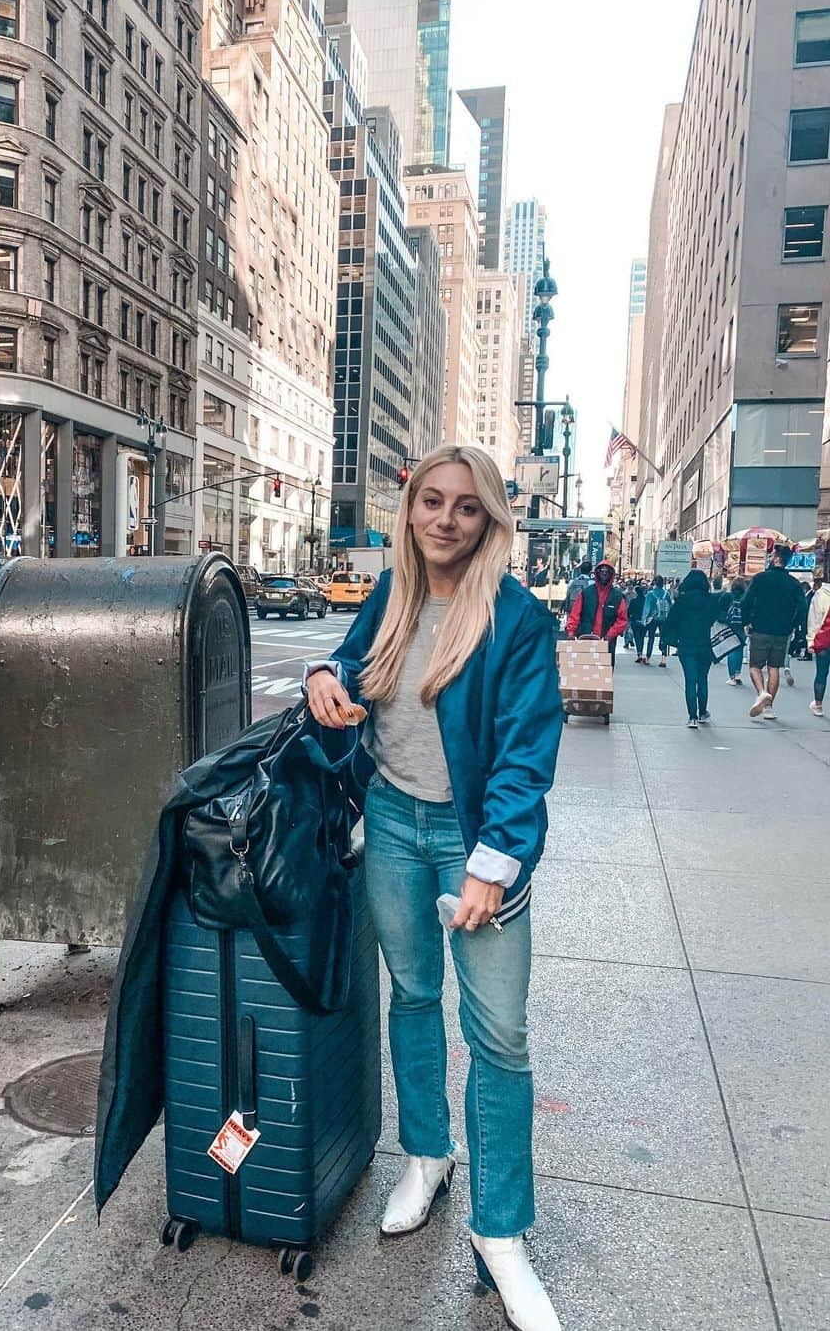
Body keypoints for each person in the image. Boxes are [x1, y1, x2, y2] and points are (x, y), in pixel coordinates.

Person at [305, 445, 563, 1331]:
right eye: (431, 503)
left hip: (471, 839)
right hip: (392, 826)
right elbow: (348, 660)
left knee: (499, 1038)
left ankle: (501, 1234)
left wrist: (496, 861)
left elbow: (528, 755)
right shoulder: (393, 594)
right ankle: (426, 1155)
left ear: (489, 520)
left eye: (465, 508)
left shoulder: (514, 619)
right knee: (412, 997)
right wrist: (323, 677)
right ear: (409, 509)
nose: (444, 520)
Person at [741, 544, 807, 720]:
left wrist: (746, 621)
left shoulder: (760, 578)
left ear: (777, 559)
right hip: (782, 631)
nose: (770, 557)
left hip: (760, 629)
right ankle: (769, 708)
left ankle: (762, 693)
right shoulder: (793, 583)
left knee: (754, 666)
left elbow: (746, 602)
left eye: (772, 555)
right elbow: (802, 607)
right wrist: (793, 625)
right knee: (774, 668)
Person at [661, 569, 717, 727]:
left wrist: (670, 640)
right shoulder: (711, 600)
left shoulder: (682, 601)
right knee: (702, 679)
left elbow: (671, 622)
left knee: (690, 680)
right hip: (706, 645)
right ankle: (703, 712)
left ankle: (692, 716)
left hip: (686, 645)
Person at [565, 560, 628, 666]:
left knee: (605, 673)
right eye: (602, 571)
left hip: (607, 642)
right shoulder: (586, 593)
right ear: (597, 573)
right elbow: (575, 614)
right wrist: (571, 632)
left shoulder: (617, 596)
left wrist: (610, 635)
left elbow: (622, 619)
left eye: (607, 572)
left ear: (611, 574)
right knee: (585, 672)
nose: (604, 574)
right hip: (585, 639)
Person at [807, 570, 830, 716]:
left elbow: (814, 619)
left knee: (821, 673)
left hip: (824, 641)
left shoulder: (821, 594)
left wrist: (810, 640)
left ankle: (818, 705)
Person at [721, 577, 748, 685]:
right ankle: (738, 673)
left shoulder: (728, 596)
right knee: (740, 649)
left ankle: (731, 676)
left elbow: (721, 609)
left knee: (731, 650)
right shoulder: (745, 597)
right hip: (742, 626)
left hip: (731, 625)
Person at [643, 575, 672, 667]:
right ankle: (663, 659)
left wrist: (644, 619)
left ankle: (647, 658)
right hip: (664, 619)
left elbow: (647, 607)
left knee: (651, 638)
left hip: (653, 619)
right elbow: (670, 606)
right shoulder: (666, 594)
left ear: (654, 582)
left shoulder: (650, 594)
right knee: (663, 638)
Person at [628, 581, 649, 662]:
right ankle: (641, 652)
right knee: (642, 638)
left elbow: (629, 611)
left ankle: (639, 654)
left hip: (635, 621)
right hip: (644, 621)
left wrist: (630, 618)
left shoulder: (633, 601)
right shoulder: (646, 601)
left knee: (637, 638)